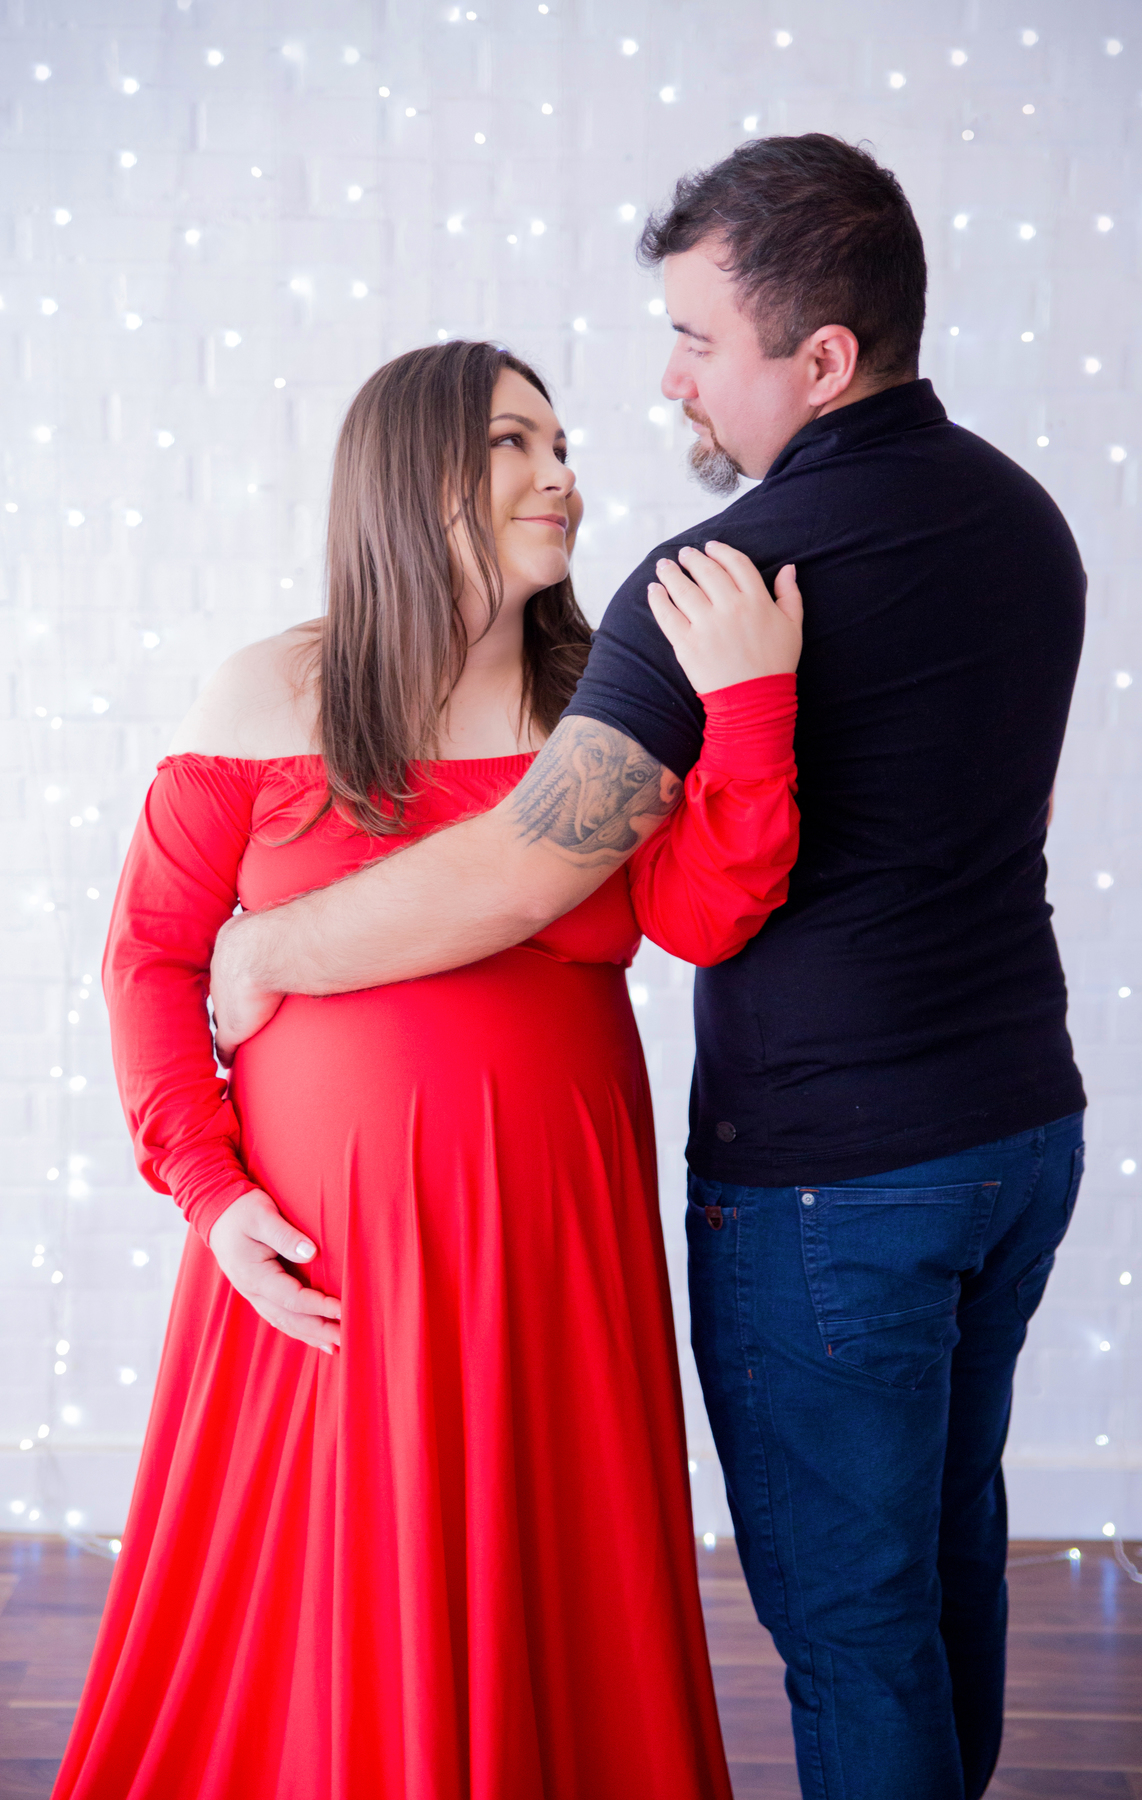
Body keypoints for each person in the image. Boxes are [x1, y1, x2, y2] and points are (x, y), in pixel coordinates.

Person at [210, 135, 1089, 1800]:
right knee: (948, 1556)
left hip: (835, 1187)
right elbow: (1015, 807)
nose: (670, 381)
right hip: (1021, 1140)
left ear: (817, 358)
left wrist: (271, 950)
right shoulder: (1023, 524)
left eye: (695, 337)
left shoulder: (722, 577)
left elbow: (541, 859)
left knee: (849, 1623)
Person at [53, 341, 806, 1800]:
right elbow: (147, 961)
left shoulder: (612, 695)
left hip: (549, 1248)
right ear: (413, 476)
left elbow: (713, 908)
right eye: (516, 443)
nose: (564, 475)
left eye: (564, 443)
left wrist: (753, 707)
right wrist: (209, 1196)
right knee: (309, 1604)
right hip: (320, 1261)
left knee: (547, 1587)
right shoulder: (273, 690)